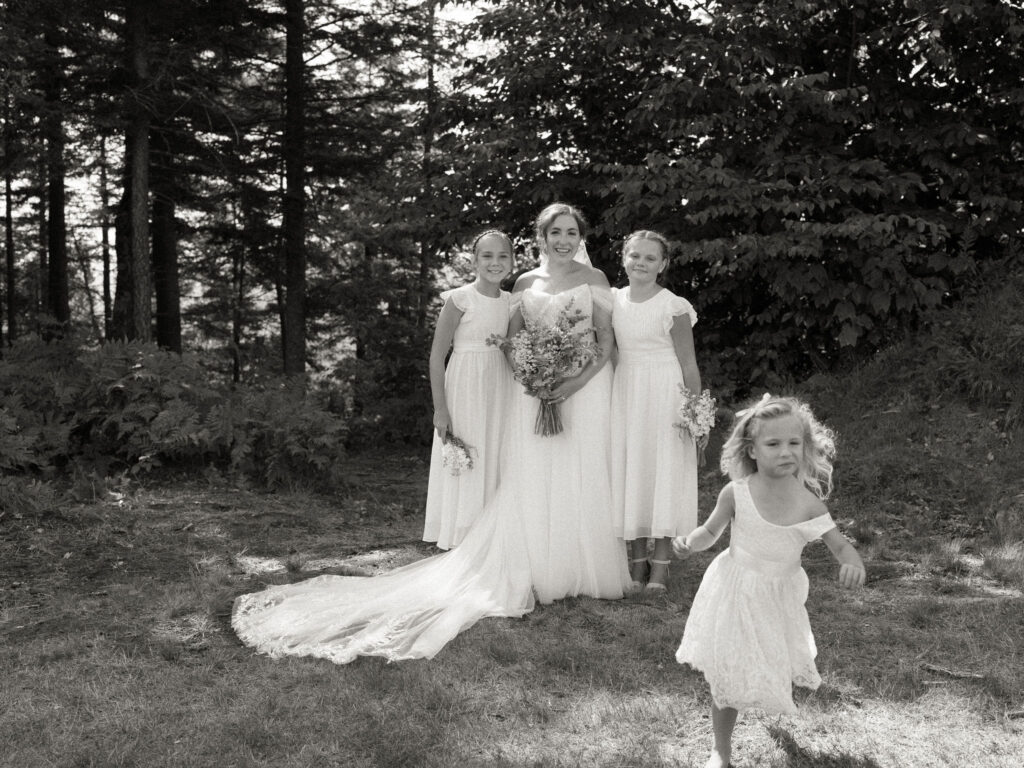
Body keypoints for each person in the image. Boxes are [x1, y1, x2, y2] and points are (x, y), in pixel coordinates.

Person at [231, 203, 630, 665]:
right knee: (536, 477)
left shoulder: (596, 279)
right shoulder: (522, 285)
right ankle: (541, 567)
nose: (563, 239)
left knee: (581, 471)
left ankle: (582, 569)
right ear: (540, 239)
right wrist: (535, 381)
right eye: (554, 232)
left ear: (581, 235)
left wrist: (573, 382)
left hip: (585, 390)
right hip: (535, 393)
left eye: (571, 231)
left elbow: (606, 344)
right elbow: (511, 344)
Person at [672, 395, 866, 768]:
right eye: (773, 444)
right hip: (734, 588)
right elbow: (711, 531)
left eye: (794, 443)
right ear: (753, 450)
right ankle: (721, 751)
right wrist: (688, 545)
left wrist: (853, 562)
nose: (785, 452)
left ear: (805, 447)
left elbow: (840, 546)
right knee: (729, 668)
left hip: (777, 598)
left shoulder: (809, 505)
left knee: (763, 664)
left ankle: (756, 698)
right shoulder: (737, 492)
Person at [609, 230, 701, 593]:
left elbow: (689, 364)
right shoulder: (612, 300)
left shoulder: (673, 306)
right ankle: (636, 566)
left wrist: (694, 412)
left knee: (663, 473)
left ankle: (660, 568)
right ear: (624, 259)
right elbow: (610, 348)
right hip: (627, 391)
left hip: (666, 392)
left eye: (650, 258)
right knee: (634, 472)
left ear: (663, 264)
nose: (641, 263)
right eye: (635, 256)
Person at [423, 230, 514, 550]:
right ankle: (461, 537)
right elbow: (436, 356)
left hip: (501, 385)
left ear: (513, 261)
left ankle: (489, 538)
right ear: (474, 261)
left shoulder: (511, 302)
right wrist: (440, 409)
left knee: (495, 454)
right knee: (470, 455)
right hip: (465, 386)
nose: (495, 262)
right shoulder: (459, 299)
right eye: (487, 256)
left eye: (503, 256)